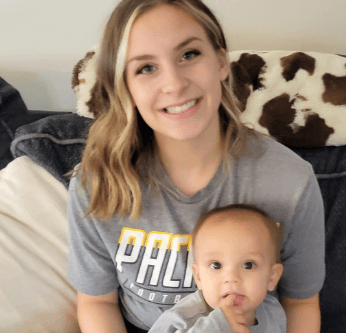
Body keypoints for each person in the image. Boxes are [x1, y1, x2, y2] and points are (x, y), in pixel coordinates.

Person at [66, 0, 325, 332]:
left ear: (219, 62)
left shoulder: (289, 181)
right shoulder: (96, 184)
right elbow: (96, 301)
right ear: (125, 87)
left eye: (188, 55)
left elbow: (301, 302)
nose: (174, 84)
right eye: (145, 68)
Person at [148, 204, 286, 333]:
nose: (231, 278)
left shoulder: (272, 311)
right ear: (199, 277)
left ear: (271, 277)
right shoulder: (182, 318)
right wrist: (215, 326)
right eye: (216, 265)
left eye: (248, 265)